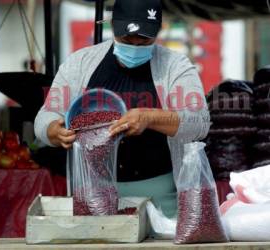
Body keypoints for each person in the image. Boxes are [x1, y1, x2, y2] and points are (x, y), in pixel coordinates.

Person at [34, 0, 210, 218]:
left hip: (160, 196)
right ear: (113, 26)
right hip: (93, 193)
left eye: (144, 39)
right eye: (126, 38)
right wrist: (53, 130)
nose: (135, 45)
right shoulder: (80, 63)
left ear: (157, 31)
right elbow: (46, 115)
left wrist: (150, 117)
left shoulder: (175, 65)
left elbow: (199, 122)